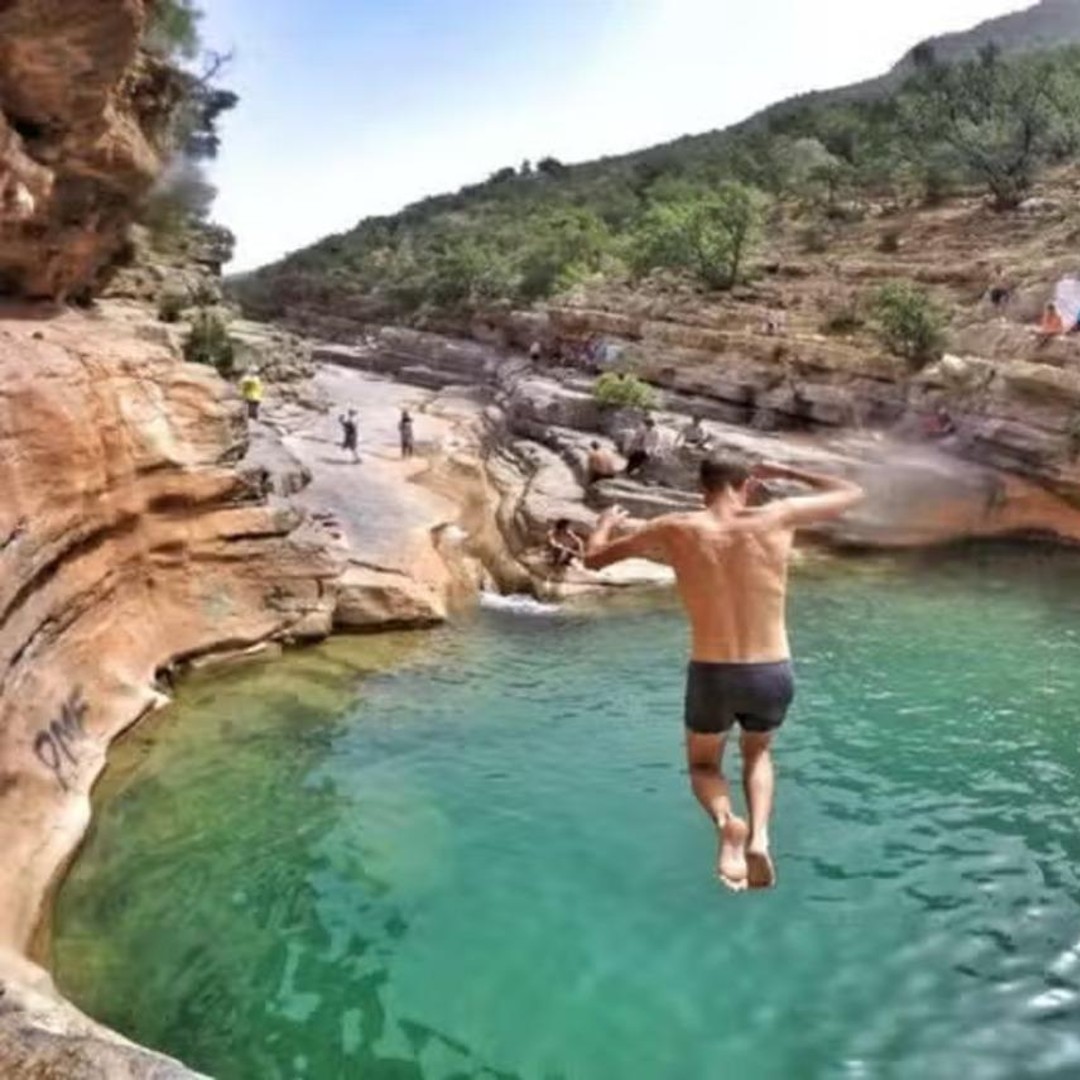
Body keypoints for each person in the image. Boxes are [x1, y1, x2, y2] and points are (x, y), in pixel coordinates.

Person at [584, 456, 864, 892]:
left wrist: (603, 523)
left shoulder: (675, 526)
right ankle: (760, 836)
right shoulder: (778, 515)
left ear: (702, 489)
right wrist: (788, 472)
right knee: (757, 754)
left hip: (712, 673)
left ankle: (725, 823)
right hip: (771, 670)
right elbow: (852, 493)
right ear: (746, 485)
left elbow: (594, 560)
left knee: (702, 764)